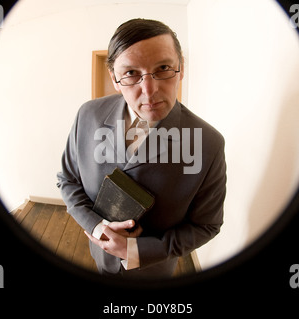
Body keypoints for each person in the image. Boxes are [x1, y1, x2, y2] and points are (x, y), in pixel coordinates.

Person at [57, 18, 226, 277]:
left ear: (181, 68)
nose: (149, 91)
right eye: (131, 73)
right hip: (99, 256)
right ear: (114, 78)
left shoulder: (209, 143)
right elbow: (67, 180)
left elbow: (207, 225)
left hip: (152, 271)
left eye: (163, 68)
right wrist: (96, 226)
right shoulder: (87, 115)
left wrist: (136, 250)